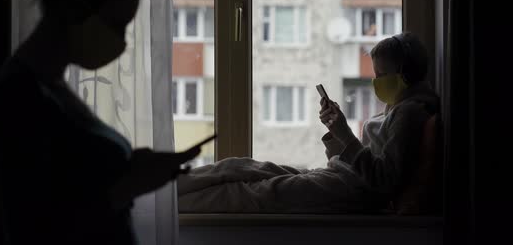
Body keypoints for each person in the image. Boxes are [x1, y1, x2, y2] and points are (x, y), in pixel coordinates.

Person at [0, 0, 200, 244]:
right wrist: (128, 186)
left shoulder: (53, 87)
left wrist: (134, 166)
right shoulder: (17, 95)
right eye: (116, 24)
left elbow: (73, 180)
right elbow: (32, 228)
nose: (122, 42)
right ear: (74, 7)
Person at [178, 32, 439, 214]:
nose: (376, 81)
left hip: (351, 191)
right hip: (340, 177)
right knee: (238, 166)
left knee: (251, 193)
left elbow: (383, 181)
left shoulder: (410, 114)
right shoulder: (398, 107)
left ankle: (164, 205)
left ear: (404, 73)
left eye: (382, 74)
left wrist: (346, 135)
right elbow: (361, 161)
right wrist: (335, 131)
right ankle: (164, 193)